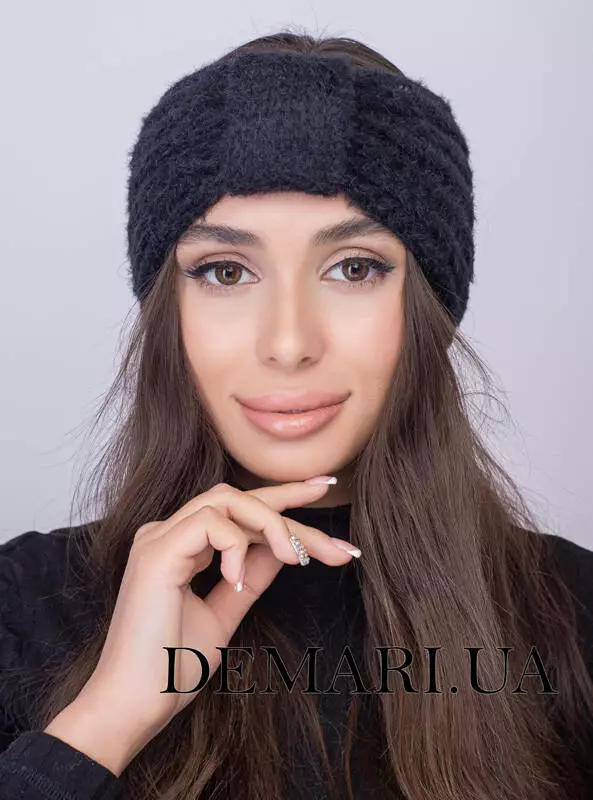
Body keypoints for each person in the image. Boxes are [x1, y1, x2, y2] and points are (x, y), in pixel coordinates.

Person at [1, 27, 592, 800]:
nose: (287, 343)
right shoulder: (21, 606)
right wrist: (105, 720)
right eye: (225, 271)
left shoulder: (573, 614)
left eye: (353, 268)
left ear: (428, 309)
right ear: (168, 311)